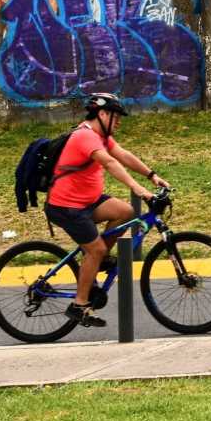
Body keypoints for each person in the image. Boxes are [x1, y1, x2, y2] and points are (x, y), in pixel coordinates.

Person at [44, 93, 168, 328]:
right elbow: (111, 163)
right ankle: (79, 305)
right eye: (115, 117)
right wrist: (140, 189)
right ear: (102, 114)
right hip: (66, 206)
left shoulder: (101, 137)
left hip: (87, 202)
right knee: (96, 249)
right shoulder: (85, 137)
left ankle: (96, 261)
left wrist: (152, 176)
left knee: (124, 211)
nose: (119, 122)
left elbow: (123, 156)